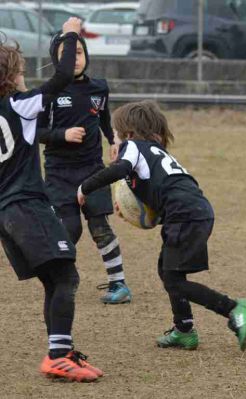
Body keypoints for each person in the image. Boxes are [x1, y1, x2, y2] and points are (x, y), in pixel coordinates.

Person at [76, 100, 246, 351]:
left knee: (174, 281)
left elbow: (120, 169)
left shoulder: (133, 146)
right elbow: (161, 199)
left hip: (185, 215)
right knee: (169, 272)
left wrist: (86, 187)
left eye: (114, 137)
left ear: (127, 134)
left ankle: (233, 308)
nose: (114, 144)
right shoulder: (158, 152)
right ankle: (184, 330)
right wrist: (136, 212)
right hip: (195, 212)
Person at [0, 18, 102, 382]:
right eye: (22, 70)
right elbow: (60, 78)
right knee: (66, 276)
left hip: (7, 213)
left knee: (56, 278)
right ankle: (58, 356)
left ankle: (61, 353)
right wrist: (71, 32)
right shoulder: (19, 105)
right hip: (27, 205)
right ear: (10, 76)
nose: (26, 75)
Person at [37, 33, 131, 304]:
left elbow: (103, 119)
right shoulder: (49, 92)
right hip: (58, 172)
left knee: (100, 226)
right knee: (69, 229)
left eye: (79, 52)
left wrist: (114, 139)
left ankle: (118, 283)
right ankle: (64, 279)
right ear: (57, 59)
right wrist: (61, 135)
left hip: (93, 170)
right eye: (68, 53)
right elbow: (36, 132)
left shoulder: (99, 88)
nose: (75, 59)